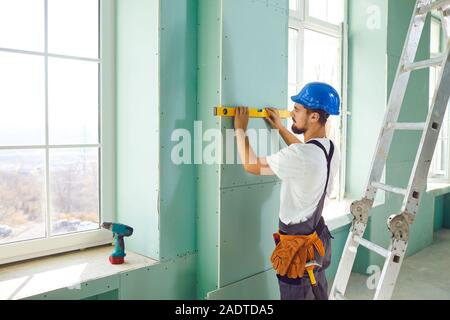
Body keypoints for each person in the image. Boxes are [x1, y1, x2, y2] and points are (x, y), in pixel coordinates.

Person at [233, 82, 341, 300]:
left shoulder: (301, 156)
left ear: (314, 117)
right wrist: (281, 128)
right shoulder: (329, 149)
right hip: (316, 244)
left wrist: (240, 129)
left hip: (296, 253)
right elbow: (303, 151)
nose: (292, 113)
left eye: (298, 109)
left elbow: (250, 165)